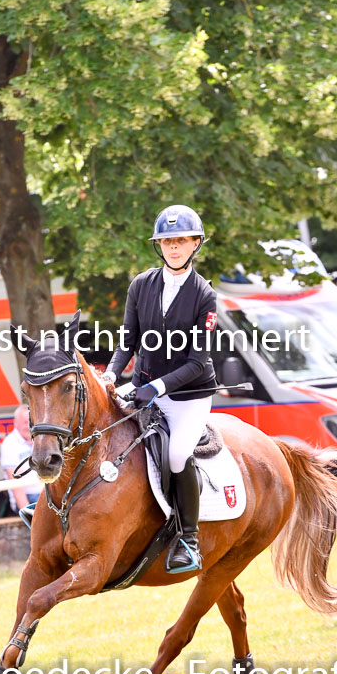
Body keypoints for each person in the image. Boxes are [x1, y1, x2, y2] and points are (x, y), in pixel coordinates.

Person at [102, 204, 218, 574]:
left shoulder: (204, 296)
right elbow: (128, 340)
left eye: (181, 240)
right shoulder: (140, 285)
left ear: (195, 243)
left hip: (188, 396)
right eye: (167, 241)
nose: (173, 247)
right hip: (143, 387)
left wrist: (158, 386)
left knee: (177, 455)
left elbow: (198, 362)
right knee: (98, 425)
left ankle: (189, 538)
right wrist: (111, 374)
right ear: (159, 245)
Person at [0, 405, 41, 514]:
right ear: (15, 423)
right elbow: (15, 483)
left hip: (48, 493)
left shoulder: (41, 438)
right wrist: (28, 514)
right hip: (29, 497)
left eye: (31, 422)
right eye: (24, 423)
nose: (29, 426)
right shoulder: (9, 443)